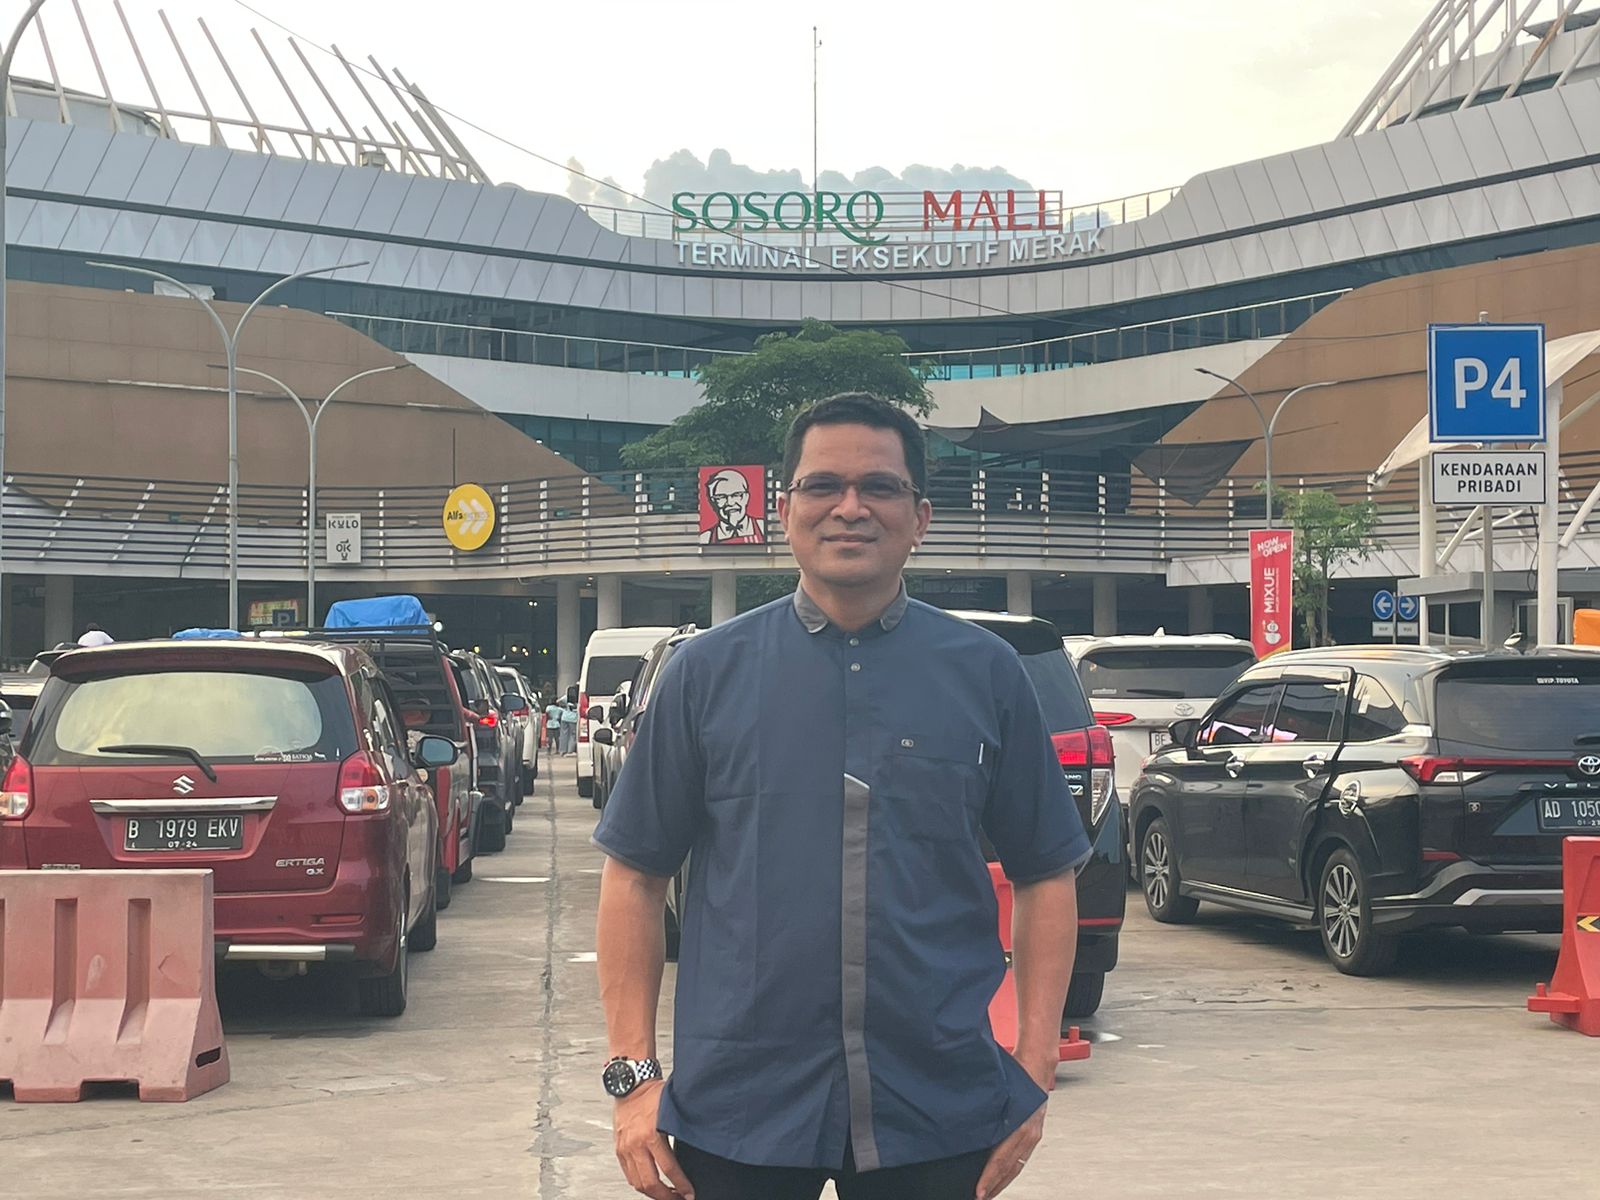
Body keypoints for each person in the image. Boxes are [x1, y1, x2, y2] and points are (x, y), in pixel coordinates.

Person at [594, 393, 1090, 1200]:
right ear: (783, 509)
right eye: (823, 485)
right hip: (738, 1107)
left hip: (936, 1105)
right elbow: (635, 877)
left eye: (879, 487)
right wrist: (632, 1077)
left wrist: (1033, 1069)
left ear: (920, 517)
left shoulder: (987, 674)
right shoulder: (705, 675)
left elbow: (1047, 872)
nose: (850, 507)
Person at [698, 468, 765, 545]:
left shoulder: (762, 527)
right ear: (713, 502)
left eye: (736, 495)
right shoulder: (706, 538)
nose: (730, 503)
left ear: (746, 497)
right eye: (721, 497)